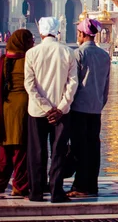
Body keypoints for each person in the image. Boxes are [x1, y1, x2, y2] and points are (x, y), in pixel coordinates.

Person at [24, 17, 78, 203]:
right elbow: (73, 84)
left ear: (40, 32)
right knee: (58, 152)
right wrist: (61, 107)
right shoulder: (68, 52)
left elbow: (29, 86)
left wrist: (46, 107)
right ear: (58, 31)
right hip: (61, 113)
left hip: (37, 112)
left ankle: (36, 192)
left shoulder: (32, 53)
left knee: (37, 152)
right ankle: (56, 192)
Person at [68, 18, 110, 197]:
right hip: (96, 109)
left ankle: (80, 187)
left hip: (79, 108)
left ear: (83, 34)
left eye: (78, 33)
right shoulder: (104, 55)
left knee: (79, 148)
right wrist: (100, 103)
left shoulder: (78, 54)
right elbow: (106, 85)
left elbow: (73, 83)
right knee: (93, 147)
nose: (77, 36)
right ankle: (92, 186)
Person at [0, 29, 34, 196]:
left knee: (2, 148)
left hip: (5, 108)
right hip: (24, 107)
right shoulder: (28, 60)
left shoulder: (3, 60)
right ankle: (19, 186)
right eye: (30, 40)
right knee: (21, 150)